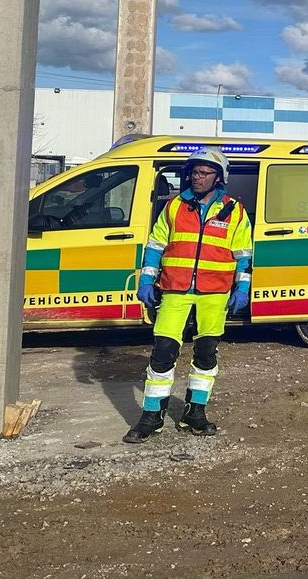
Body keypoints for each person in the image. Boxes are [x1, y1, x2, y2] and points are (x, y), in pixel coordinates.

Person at [124, 148, 253, 443]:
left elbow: (243, 255)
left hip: (215, 293)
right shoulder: (174, 206)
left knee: (206, 354)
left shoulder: (234, 210)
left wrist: (243, 287)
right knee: (162, 354)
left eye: (204, 172)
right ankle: (151, 416)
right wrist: (146, 279)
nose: (197, 177)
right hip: (175, 289)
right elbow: (156, 244)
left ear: (218, 177)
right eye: (194, 172)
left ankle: (195, 413)